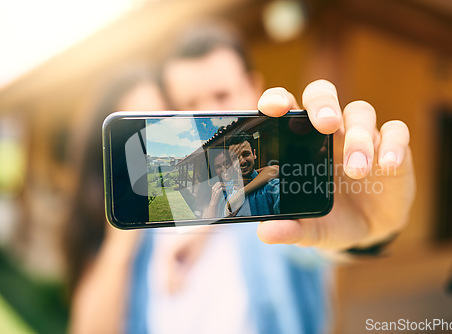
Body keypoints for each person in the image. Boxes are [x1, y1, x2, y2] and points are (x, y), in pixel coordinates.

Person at [119, 21, 415, 334]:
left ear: (253, 89)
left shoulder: (280, 189)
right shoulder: (157, 214)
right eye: (189, 105)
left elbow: (314, 248)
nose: (207, 115)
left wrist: (370, 233)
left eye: (222, 95)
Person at [63, 66, 168, 334]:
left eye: (158, 121)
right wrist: (122, 238)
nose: (150, 141)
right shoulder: (101, 220)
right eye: (134, 130)